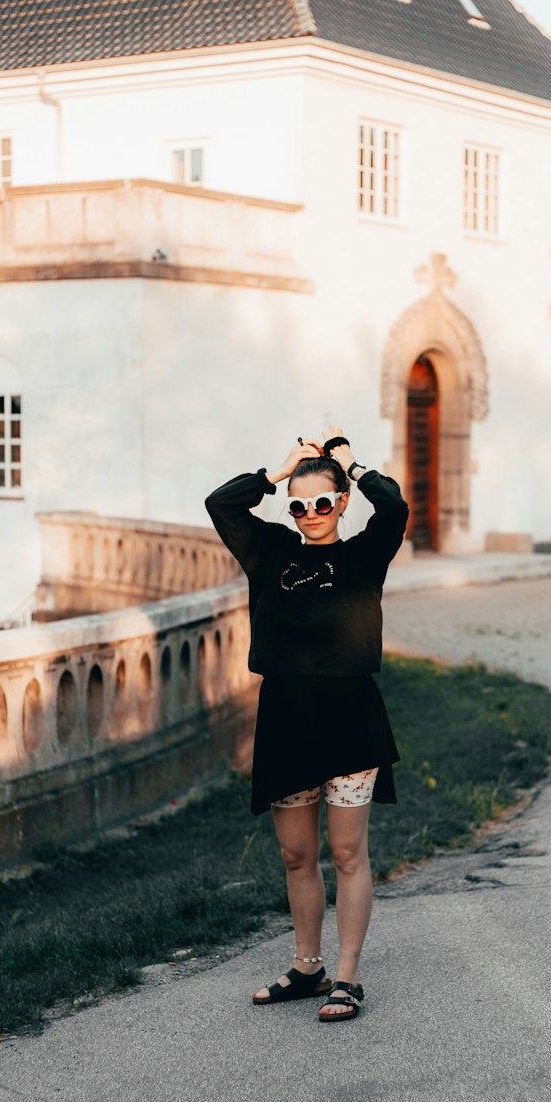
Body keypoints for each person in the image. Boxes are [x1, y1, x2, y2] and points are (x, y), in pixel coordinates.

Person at [205, 424, 409, 1022]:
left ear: (341, 503)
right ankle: (307, 967)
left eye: (323, 502)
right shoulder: (269, 553)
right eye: (299, 505)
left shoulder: (364, 554)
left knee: (347, 853)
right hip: (286, 720)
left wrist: (353, 464)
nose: (311, 513)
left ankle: (346, 976)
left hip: (349, 721)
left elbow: (393, 507)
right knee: (297, 856)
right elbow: (221, 504)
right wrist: (277, 471)